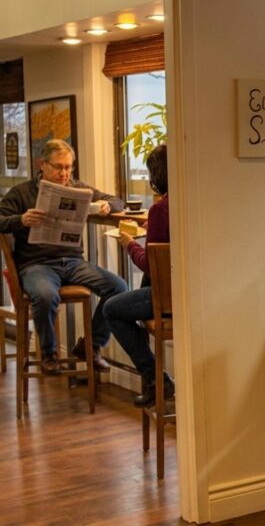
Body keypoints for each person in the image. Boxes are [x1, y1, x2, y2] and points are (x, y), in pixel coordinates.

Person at [0, 139, 128, 375]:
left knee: (119, 287)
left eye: (69, 167)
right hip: (36, 264)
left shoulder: (76, 187)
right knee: (45, 295)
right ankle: (49, 354)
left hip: (73, 262)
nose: (64, 173)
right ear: (42, 164)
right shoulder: (22, 192)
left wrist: (106, 206)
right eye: (59, 167)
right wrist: (20, 220)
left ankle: (90, 347)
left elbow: (117, 200)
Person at [103, 144, 172, 407]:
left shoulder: (160, 209)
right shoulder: (190, 201)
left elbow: (149, 265)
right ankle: (157, 381)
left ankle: (156, 379)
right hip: (192, 292)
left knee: (111, 309)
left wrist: (129, 242)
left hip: (168, 298)